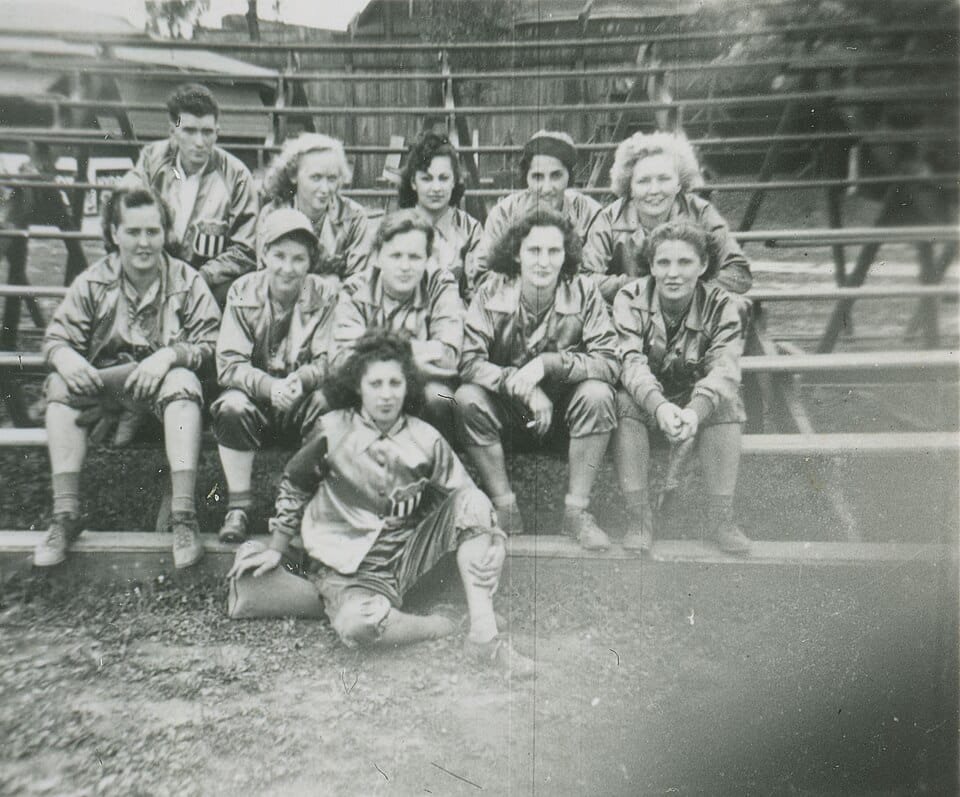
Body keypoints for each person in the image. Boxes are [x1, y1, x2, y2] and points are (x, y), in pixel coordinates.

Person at [228, 331, 534, 678]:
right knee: (357, 625)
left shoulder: (425, 437)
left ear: (408, 386)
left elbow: (466, 499)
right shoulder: (331, 429)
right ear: (359, 387)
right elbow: (295, 486)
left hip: (405, 558)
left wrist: (494, 539)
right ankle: (442, 623)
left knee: (474, 501)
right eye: (376, 384)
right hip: (346, 568)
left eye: (395, 383)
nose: (386, 394)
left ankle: (482, 633)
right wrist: (277, 547)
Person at [33, 188, 221, 570]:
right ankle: (65, 514)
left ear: (166, 233)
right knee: (59, 385)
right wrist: (66, 358)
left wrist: (168, 355)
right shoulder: (93, 281)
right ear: (114, 233)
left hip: (164, 401)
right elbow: (56, 338)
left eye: (153, 231)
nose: (144, 242)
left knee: (182, 379)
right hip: (110, 399)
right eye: (133, 232)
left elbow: (213, 342)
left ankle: (183, 517)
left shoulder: (186, 280)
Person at [454, 209, 620, 551]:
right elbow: (468, 361)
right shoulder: (491, 290)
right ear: (517, 253)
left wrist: (550, 363)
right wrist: (520, 383)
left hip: (564, 414)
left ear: (567, 254)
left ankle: (576, 513)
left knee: (599, 394)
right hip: (510, 412)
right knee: (466, 398)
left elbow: (610, 362)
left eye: (554, 251)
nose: (543, 262)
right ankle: (505, 508)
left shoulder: (584, 291)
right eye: (534, 251)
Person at [611, 220, 752, 556]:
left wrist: (695, 410)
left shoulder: (720, 304)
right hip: (646, 398)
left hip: (695, 399)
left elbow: (724, 368)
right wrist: (658, 406)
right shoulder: (629, 298)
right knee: (621, 401)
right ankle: (639, 518)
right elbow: (629, 361)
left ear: (703, 265)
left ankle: (721, 518)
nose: (673, 273)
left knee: (729, 401)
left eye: (685, 262)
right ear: (651, 266)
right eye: (663, 262)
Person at [210, 208, 338, 543]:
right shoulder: (242, 291)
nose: (287, 267)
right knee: (231, 406)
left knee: (327, 411)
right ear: (264, 254)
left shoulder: (324, 295)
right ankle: (238, 506)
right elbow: (229, 364)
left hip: (299, 399)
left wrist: (304, 380)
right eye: (279, 255)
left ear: (310, 262)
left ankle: (307, 505)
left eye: (298, 258)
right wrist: (269, 386)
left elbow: (331, 359)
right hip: (257, 400)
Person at [330, 210, 463, 439]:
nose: (405, 266)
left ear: (427, 259)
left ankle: (434, 468)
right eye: (395, 255)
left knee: (440, 398)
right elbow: (340, 360)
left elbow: (448, 356)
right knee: (329, 396)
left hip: (421, 387)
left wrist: (372, 345)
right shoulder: (355, 288)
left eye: (414, 257)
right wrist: (419, 350)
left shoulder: (441, 285)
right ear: (378, 257)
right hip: (369, 386)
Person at [123, 83, 258, 306]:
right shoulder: (152, 160)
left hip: (209, 283)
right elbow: (126, 209)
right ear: (173, 132)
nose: (199, 142)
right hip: (154, 274)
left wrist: (198, 279)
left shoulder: (237, 175)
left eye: (207, 132)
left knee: (238, 292)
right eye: (189, 131)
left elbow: (246, 250)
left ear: (217, 133)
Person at [582, 131, 753, 304]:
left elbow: (739, 272)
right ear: (629, 186)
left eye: (664, 179)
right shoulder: (609, 218)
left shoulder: (701, 212)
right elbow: (585, 278)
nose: (654, 190)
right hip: (631, 312)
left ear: (679, 184)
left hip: (690, 310)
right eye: (643, 181)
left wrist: (687, 289)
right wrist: (646, 287)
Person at [477, 130, 601, 285]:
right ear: (526, 178)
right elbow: (482, 274)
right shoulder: (504, 214)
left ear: (570, 176)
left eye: (556, 176)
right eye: (537, 177)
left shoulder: (589, 212)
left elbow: (594, 278)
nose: (547, 188)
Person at [259, 133, 372, 283]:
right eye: (316, 178)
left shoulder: (354, 217)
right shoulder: (272, 214)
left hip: (338, 303)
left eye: (332, 178)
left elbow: (359, 279)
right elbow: (266, 275)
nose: (325, 189)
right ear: (293, 175)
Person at [397, 131, 484, 299]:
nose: (436, 188)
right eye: (427, 179)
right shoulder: (398, 227)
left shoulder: (471, 230)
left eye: (443, 178)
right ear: (413, 182)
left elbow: (481, 289)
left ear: (454, 180)